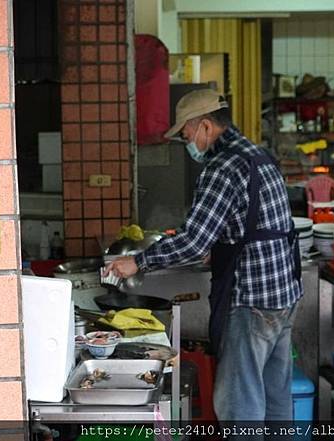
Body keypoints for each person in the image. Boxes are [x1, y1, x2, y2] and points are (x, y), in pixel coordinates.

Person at [104, 88, 302, 422]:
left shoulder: (222, 167)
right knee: (275, 398)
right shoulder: (259, 155)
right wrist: (221, 245)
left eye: (186, 134)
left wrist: (139, 261)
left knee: (240, 404)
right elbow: (255, 223)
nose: (188, 143)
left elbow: (194, 241)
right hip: (284, 295)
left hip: (251, 301)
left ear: (206, 127)